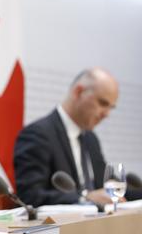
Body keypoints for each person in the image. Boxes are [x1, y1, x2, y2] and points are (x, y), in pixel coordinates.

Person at [14, 67, 140, 207]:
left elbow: (111, 186)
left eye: (111, 107)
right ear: (78, 92)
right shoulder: (38, 134)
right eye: (103, 103)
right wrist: (86, 197)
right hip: (60, 227)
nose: (107, 114)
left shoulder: (90, 139)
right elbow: (30, 196)